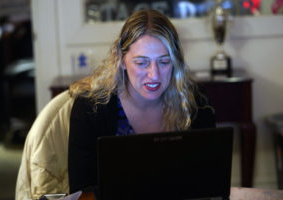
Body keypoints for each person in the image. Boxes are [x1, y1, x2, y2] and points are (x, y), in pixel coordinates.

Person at [68, 9, 215, 198]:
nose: (154, 75)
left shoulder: (195, 103)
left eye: (164, 61)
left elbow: (208, 183)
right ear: (121, 59)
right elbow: (81, 193)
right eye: (142, 62)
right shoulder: (90, 108)